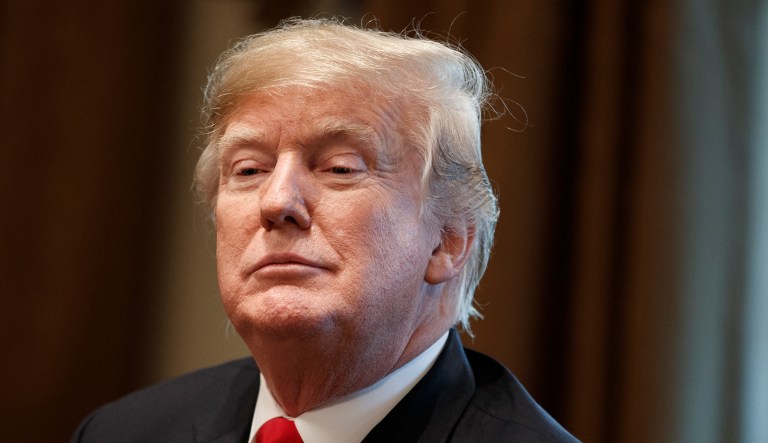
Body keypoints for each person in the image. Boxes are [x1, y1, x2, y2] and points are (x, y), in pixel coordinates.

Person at [71, 18, 578, 442]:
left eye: (340, 167)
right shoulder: (123, 432)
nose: (276, 202)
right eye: (248, 170)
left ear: (448, 241)